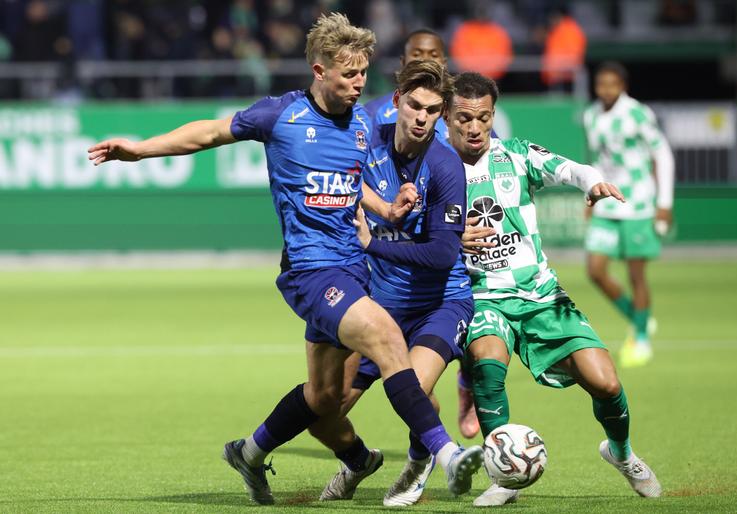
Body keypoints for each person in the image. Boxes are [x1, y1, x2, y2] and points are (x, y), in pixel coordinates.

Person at [87, 13, 482, 506]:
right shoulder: (282, 116)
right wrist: (141, 150)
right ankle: (447, 455)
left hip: (351, 271)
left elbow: (348, 182)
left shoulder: (361, 124)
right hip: (311, 270)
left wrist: (384, 208)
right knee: (384, 336)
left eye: (363, 74)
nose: (359, 84)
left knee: (323, 399)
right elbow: (210, 133)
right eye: (348, 75)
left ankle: (250, 453)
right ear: (319, 71)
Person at [448, 71, 662, 506]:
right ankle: (502, 475)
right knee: (489, 362)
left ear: (493, 116)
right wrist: (452, 237)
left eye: (483, 118)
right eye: (464, 119)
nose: (474, 128)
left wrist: (592, 182)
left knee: (605, 383)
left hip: (542, 294)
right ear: (447, 118)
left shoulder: (516, 154)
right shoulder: (434, 167)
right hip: (483, 295)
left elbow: (568, 167)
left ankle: (621, 453)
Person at [308, 58, 482, 507]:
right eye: (415, 107)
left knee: (411, 388)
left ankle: (419, 463)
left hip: (439, 305)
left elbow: (444, 256)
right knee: (322, 413)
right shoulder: (365, 144)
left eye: (432, 111)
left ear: (440, 116)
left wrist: (373, 245)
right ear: (398, 102)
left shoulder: (445, 167)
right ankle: (357, 460)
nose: (422, 118)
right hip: (380, 307)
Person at [364, 27, 482, 440]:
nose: (421, 115)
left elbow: (488, 172)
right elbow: (343, 173)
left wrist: (472, 222)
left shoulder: (461, 126)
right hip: (390, 285)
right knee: (330, 398)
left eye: (432, 53)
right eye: (416, 53)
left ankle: (469, 385)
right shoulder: (370, 121)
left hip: (449, 263)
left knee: (469, 347)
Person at [583, 61, 675, 368]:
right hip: (607, 203)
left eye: (612, 84)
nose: (605, 89)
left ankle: (640, 338)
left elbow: (662, 153)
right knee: (595, 271)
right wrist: (589, 196)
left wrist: (665, 202)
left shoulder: (637, 113)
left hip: (637, 202)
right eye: (600, 84)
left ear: (623, 86)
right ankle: (639, 317)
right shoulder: (591, 115)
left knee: (636, 275)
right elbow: (595, 160)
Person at [364, 29, 450, 142]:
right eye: (416, 54)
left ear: (444, 63)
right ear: (403, 61)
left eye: (433, 55)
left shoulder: (462, 111)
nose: (425, 60)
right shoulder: (374, 112)